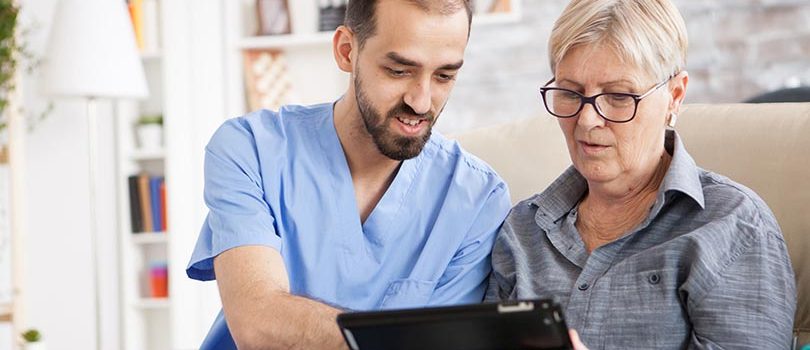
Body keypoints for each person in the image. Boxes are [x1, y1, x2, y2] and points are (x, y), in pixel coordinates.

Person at [187, 0, 512, 349]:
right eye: (399, 70)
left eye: (444, 76)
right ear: (346, 51)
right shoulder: (250, 149)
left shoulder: (477, 200)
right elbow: (259, 325)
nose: (421, 101)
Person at [486, 0, 797, 349]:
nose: (587, 121)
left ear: (674, 96)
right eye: (571, 93)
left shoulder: (733, 227)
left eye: (619, 96)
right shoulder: (523, 231)